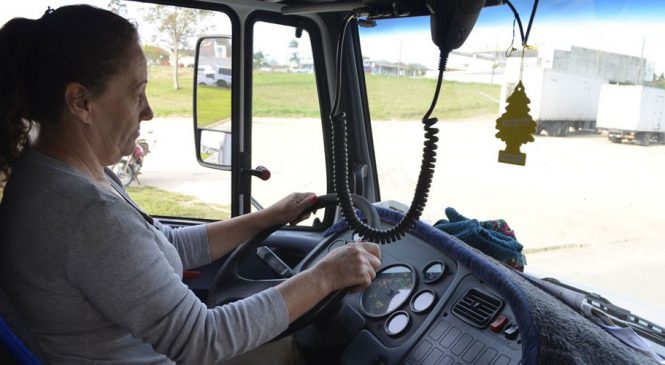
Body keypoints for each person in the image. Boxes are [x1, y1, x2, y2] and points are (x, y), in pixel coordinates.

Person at [0, 5, 381, 364]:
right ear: (81, 102)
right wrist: (325, 276)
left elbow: (164, 245)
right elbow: (202, 339)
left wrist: (268, 217)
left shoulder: (59, 172)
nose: (148, 110)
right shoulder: (87, 214)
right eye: (136, 94)